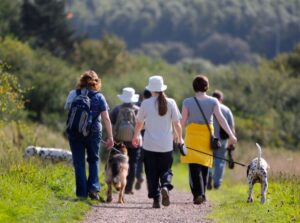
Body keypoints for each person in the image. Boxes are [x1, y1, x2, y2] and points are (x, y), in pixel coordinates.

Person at [180, 75, 237, 205]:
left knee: (194, 166)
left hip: (192, 136)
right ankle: (203, 194)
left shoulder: (187, 102)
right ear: (207, 87)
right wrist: (231, 135)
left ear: (194, 86)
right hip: (207, 136)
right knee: (205, 166)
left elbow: (182, 123)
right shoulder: (213, 101)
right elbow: (221, 119)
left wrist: (176, 136)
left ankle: (198, 194)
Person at [132, 75, 184, 209]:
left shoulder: (146, 103)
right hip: (166, 145)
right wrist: (180, 138)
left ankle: (156, 199)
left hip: (149, 145)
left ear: (151, 89)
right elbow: (177, 124)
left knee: (151, 173)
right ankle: (165, 186)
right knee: (166, 170)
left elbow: (139, 123)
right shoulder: (171, 102)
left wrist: (136, 136)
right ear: (162, 88)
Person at [64, 70, 114, 200]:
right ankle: (93, 190)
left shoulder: (73, 94)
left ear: (81, 81)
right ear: (97, 83)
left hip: (75, 132)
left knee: (79, 162)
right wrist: (110, 137)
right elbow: (106, 118)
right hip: (94, 132)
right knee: (93, 160)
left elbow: (69, 110)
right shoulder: (99, 97)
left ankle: (81, 194)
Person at [110, 87, 140, 194]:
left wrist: (112, 137)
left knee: (117, 163)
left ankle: (116, 183)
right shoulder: (138, 110)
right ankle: (128, 188)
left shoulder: (116, 109)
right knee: (132, 164)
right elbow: (143, 126)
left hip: (119, 142)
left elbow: (111, 124)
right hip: (134, 142)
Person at [207, 90, 235, 190]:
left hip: (208, 139)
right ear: (221, 99)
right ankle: (217, 183)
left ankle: (208, 175)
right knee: (220, 161)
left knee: (208, 159)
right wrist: (231, 142)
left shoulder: (208, 107)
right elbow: (231, 127)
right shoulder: (226, 110)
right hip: (222, 141)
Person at [134, 89, 152, 190]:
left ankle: (139, 176)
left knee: (139, 159)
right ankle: (150, 182)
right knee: (149, 160)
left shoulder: (138, 104)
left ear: (143, 96)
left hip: (139, 135)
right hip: (150, 136)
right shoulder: (155, 104)